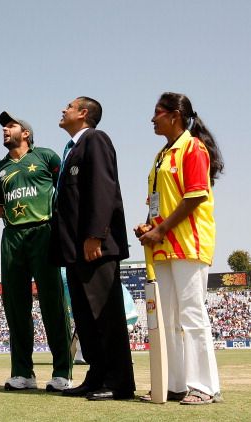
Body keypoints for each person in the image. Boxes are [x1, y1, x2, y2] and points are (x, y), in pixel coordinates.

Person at [136, 92, 224, 404]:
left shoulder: (193, 147)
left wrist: (160, 228)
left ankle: (204, 386)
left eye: (157, 113)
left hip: (188, 243)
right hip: (162, 247)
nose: (152, 119)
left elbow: (196, 195)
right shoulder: (161, 155)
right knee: (169, 320)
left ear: (174, 115)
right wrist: (149, 225)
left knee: (192, 315)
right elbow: (159, 200)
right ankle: (174, 384)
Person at [51, 97, 135, 401]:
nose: (63, 110)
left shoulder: (95, 140)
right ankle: (97, 376)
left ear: (83, 113)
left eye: (69, 107)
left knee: (105, 316)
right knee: (86, 319)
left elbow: (103, 187)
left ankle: (118, 381)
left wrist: (96, 234)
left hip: (94, 246)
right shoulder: (73, 149)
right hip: (75, 250)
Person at [0, 111, 72, 391]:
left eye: (10, 125)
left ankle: (62, 371)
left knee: (52, 302)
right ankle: (23, 372)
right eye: (3, 126)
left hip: (44, 231)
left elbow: (65, 190)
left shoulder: (47, 157)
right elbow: (0, 210)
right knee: (15, 306)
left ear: (25, 133)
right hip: (13, 235)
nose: (4, 129)